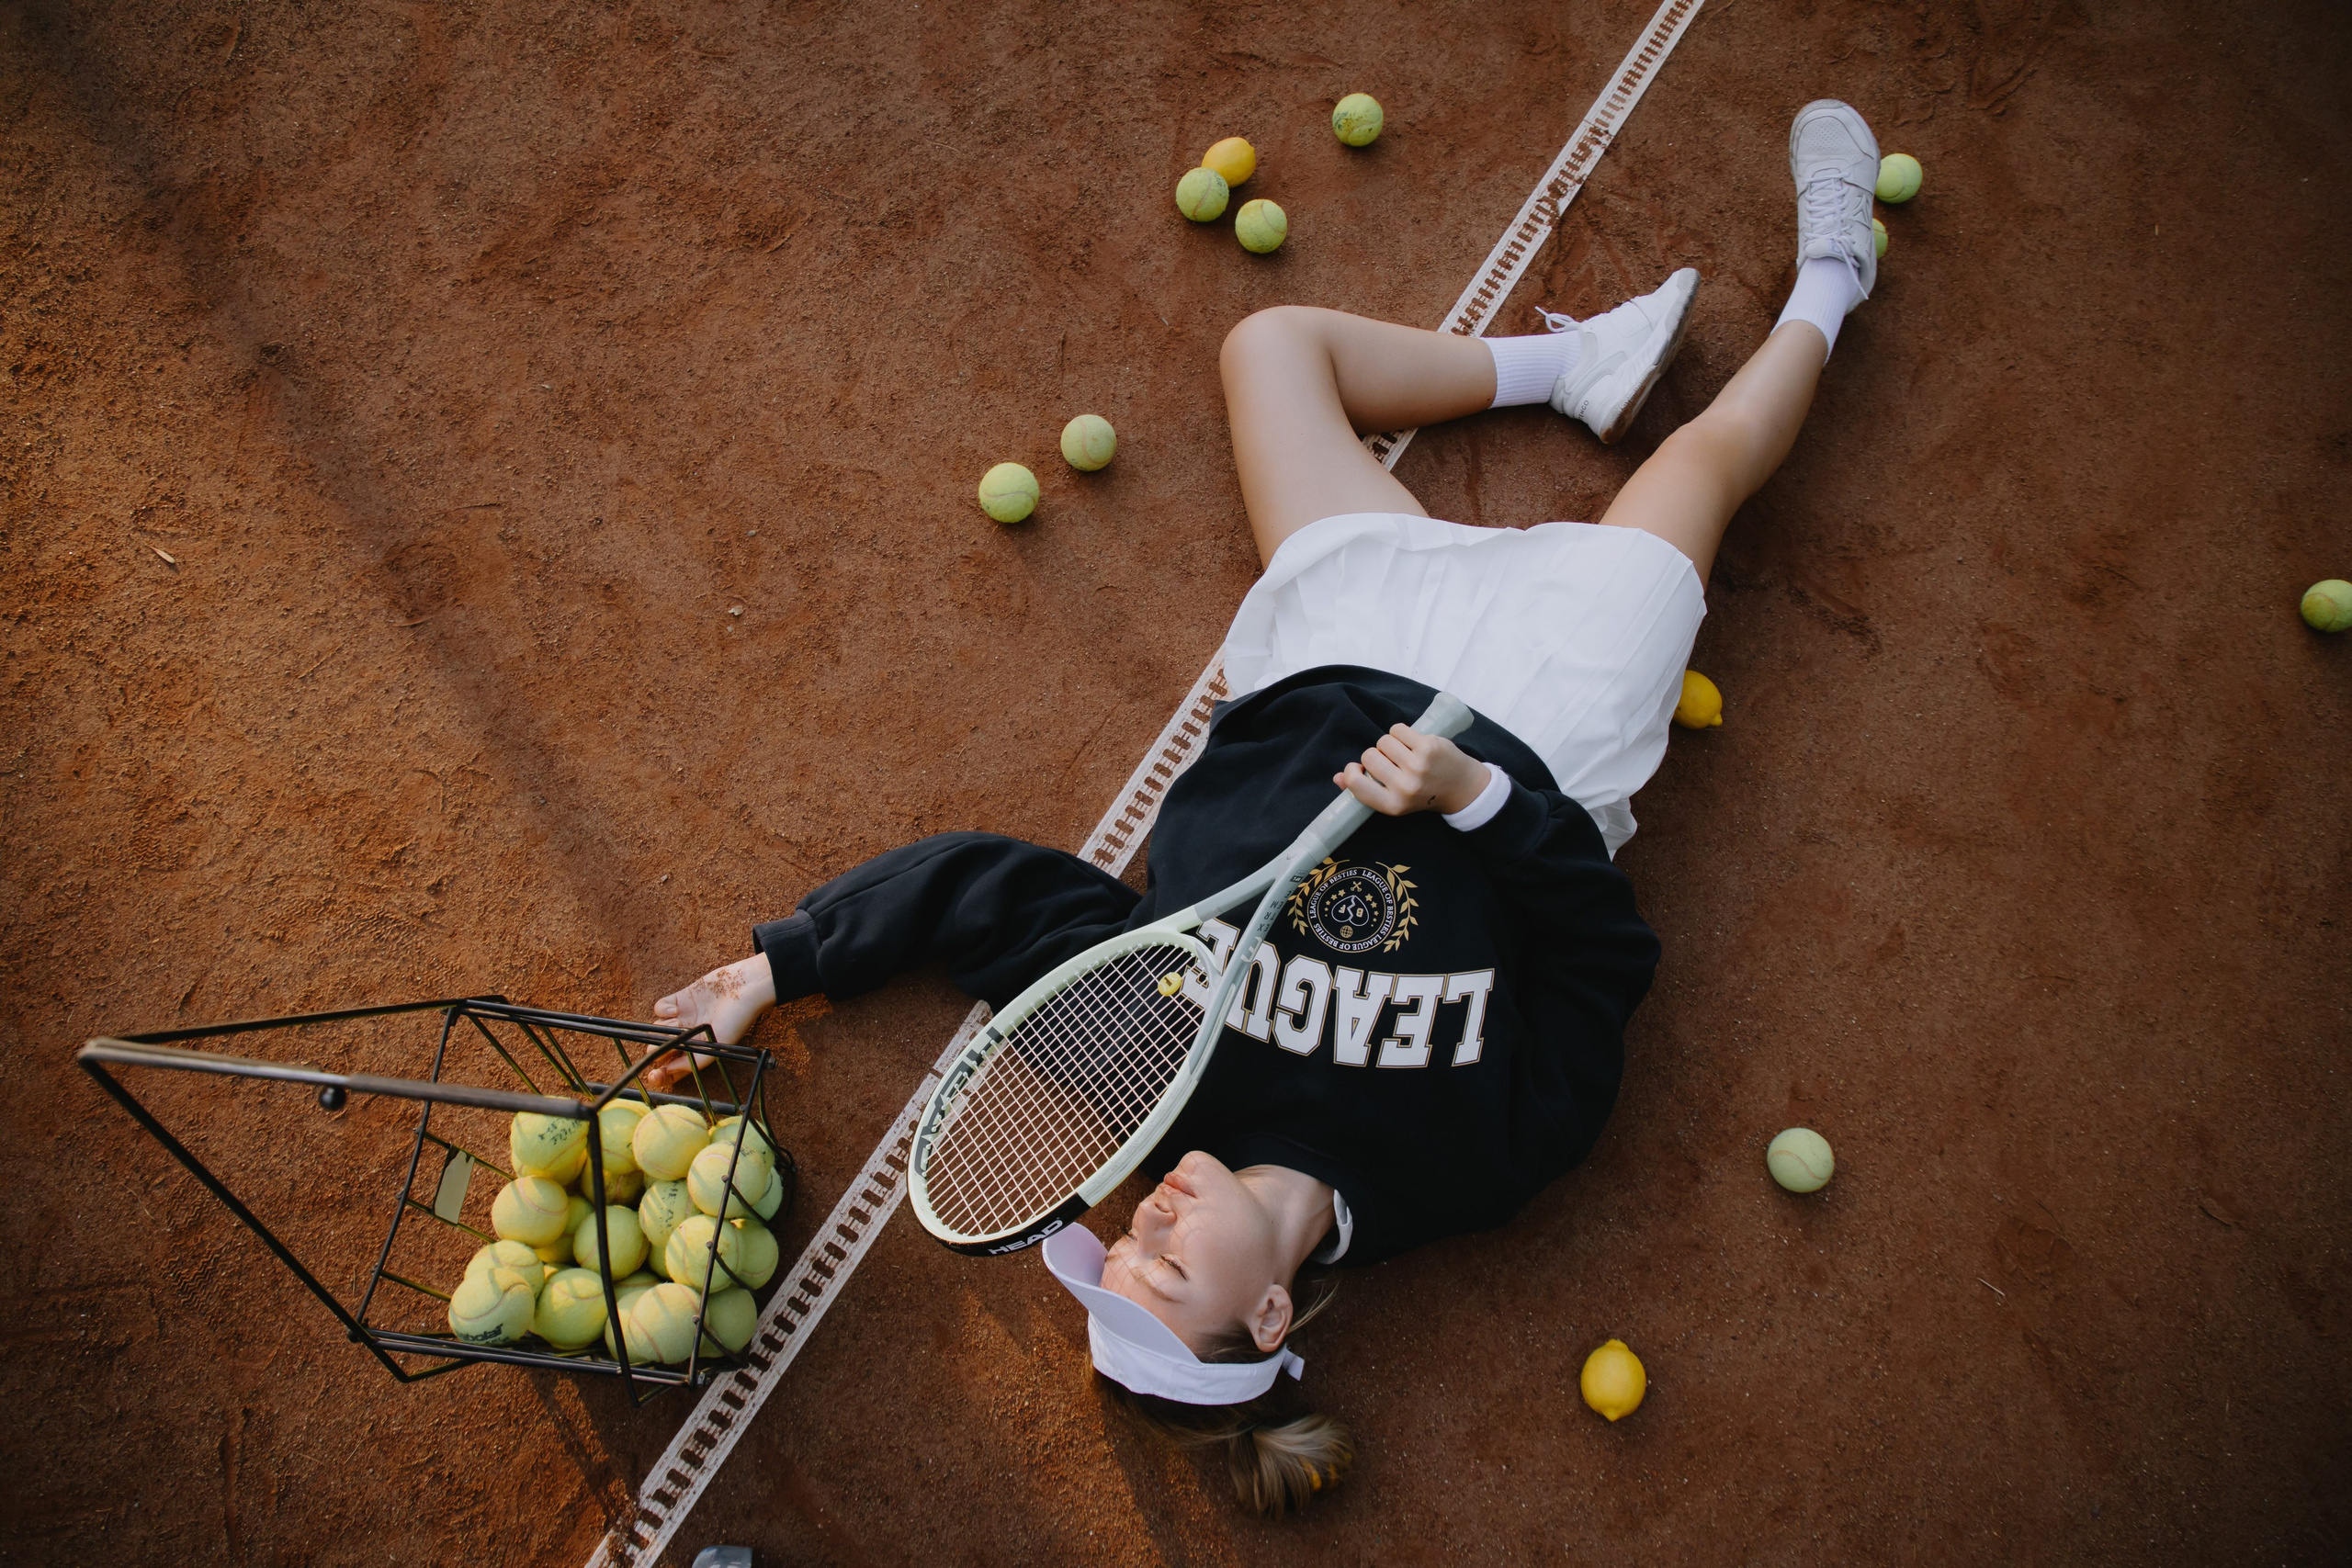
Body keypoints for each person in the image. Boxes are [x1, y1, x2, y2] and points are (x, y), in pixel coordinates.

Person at [646, 101, 1887, 1517]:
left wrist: (777, 963)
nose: (1143, 1221)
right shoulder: (1478, 1169)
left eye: (1119, 1247)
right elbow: (1609, 962)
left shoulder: (1147, 1078)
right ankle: (1837, 278)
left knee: (1269, 347)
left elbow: (983, 891)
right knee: (1707, 467)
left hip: (1333, 650)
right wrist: (1477, 802)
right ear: (1276, 1316)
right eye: (1165, 1272)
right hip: (1549, 715)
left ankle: (1574, 364)